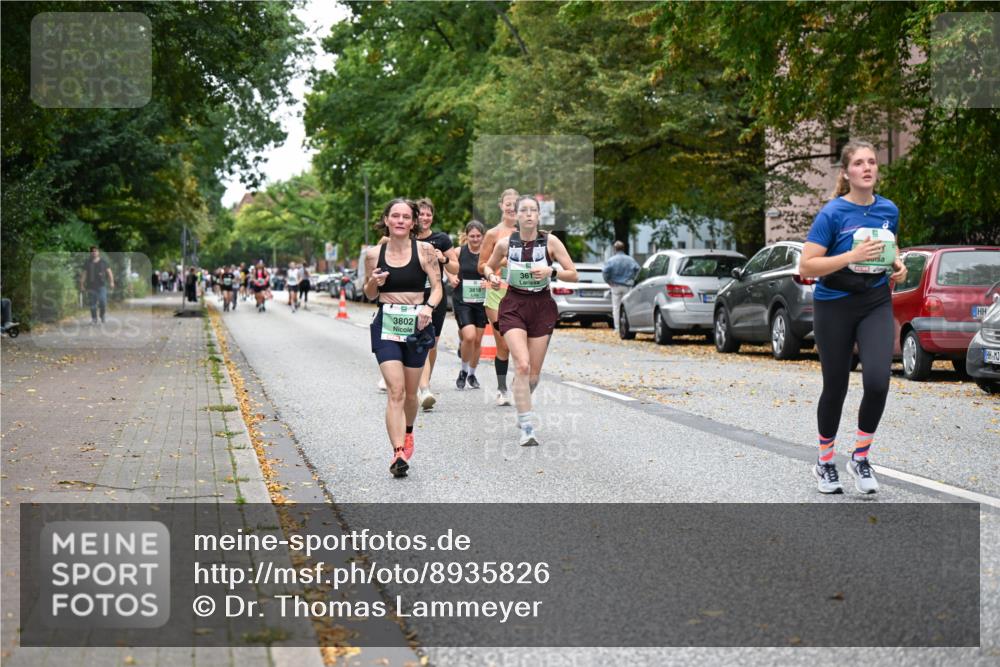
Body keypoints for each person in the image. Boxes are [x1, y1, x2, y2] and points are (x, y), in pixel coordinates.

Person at [799, 139, 907, 495]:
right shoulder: (832, 214)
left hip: (875, 300)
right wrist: (850, 256)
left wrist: (898, 264)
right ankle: (825, 462)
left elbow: (889, 247)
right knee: (836, 386)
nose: (867, 167)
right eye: (859, 163)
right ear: (846, 173)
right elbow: (807, 265)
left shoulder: (888, 209)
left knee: (877, 382)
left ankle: (860, 458)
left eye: (871, 162)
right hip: (834, 304)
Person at [483, 195, 578, 446]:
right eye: (523, 210)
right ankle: (527, 427)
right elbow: (488, 267)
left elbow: (573, 274)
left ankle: (521, 392)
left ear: (538, 215)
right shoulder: (505, 244)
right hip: (513, 305)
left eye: (532, 210)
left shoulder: (551, 242)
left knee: (533, 375)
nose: (527, 214)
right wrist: (492, 277)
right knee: (522, 365)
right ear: (515, 215)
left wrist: (551, 271)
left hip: (541, 306)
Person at [364, 198, 443, 477]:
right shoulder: (373, 254)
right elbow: (369, 294)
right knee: (395, 390)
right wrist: (374, 282)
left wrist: (428, 308)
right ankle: (398, 452)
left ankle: (408, 432)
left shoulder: (425, 251)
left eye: (405, 217)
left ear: (413, 222)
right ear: (386, 220)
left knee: (411, 394)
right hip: (386, 325)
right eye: (395, 216)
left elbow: (437, 288)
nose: (400, 220)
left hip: (416, 326)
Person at [477, 188, 520, 406]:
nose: (511, 207)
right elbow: (481, 265)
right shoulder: (493, 234)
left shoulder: (529, 232)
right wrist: (495, 269)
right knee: (503, 344)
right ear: (501, 205)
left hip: (521, 294)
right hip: (497, 293)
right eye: (508, 203)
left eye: (515, 204)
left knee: (519, 345)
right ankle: (502, 389)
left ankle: (518, 379)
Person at [413, 198, 454, 411]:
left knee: (432, 344)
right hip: (413, 296)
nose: (425, 217)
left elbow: (456, 268)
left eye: (428, 214)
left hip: (436, 295)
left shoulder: (441, 239)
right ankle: (424, 388)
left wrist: (444, 259)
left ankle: (424, 382)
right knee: (421, 340)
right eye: (421, 213)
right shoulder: (407, 237)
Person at [446, 220, 489, 389]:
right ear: (467, 236)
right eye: (472, 236)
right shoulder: (459, 251)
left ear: (483, 236)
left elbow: (496, 270)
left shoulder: (488, 253)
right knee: (469, 336)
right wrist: (451, 278)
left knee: (477, 341)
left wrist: (489, 281)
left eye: (478, 236)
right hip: (462, 300)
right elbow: (445, 264)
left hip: (481, 301)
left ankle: (472, 374)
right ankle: (463, 371)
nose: (475, 239)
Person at [602, 240, 641, 332]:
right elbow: (638, 270)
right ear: (623, 248)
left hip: (615, 286)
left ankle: (617, 327)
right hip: (627, 286)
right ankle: (627, 327)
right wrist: (634, 280)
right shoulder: (630, 259)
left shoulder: (611, 260)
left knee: (616, 307)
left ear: (614, 249)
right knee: (627, 307)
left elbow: (605, 272)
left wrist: (608, 281)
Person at [80, 246, 114, 324]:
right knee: (92, 304)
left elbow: (109, 272)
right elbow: (84, 274)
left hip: (102, 286)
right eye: (92, 251)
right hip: (91, 286)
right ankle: (94, 318)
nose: (94, 252)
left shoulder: (103, 262)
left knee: (103, 302)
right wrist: (82, 285)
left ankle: (102, 315)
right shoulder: (87, 263)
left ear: (98, 252)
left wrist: (112, 282)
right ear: (90, 253)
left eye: (95, 251)